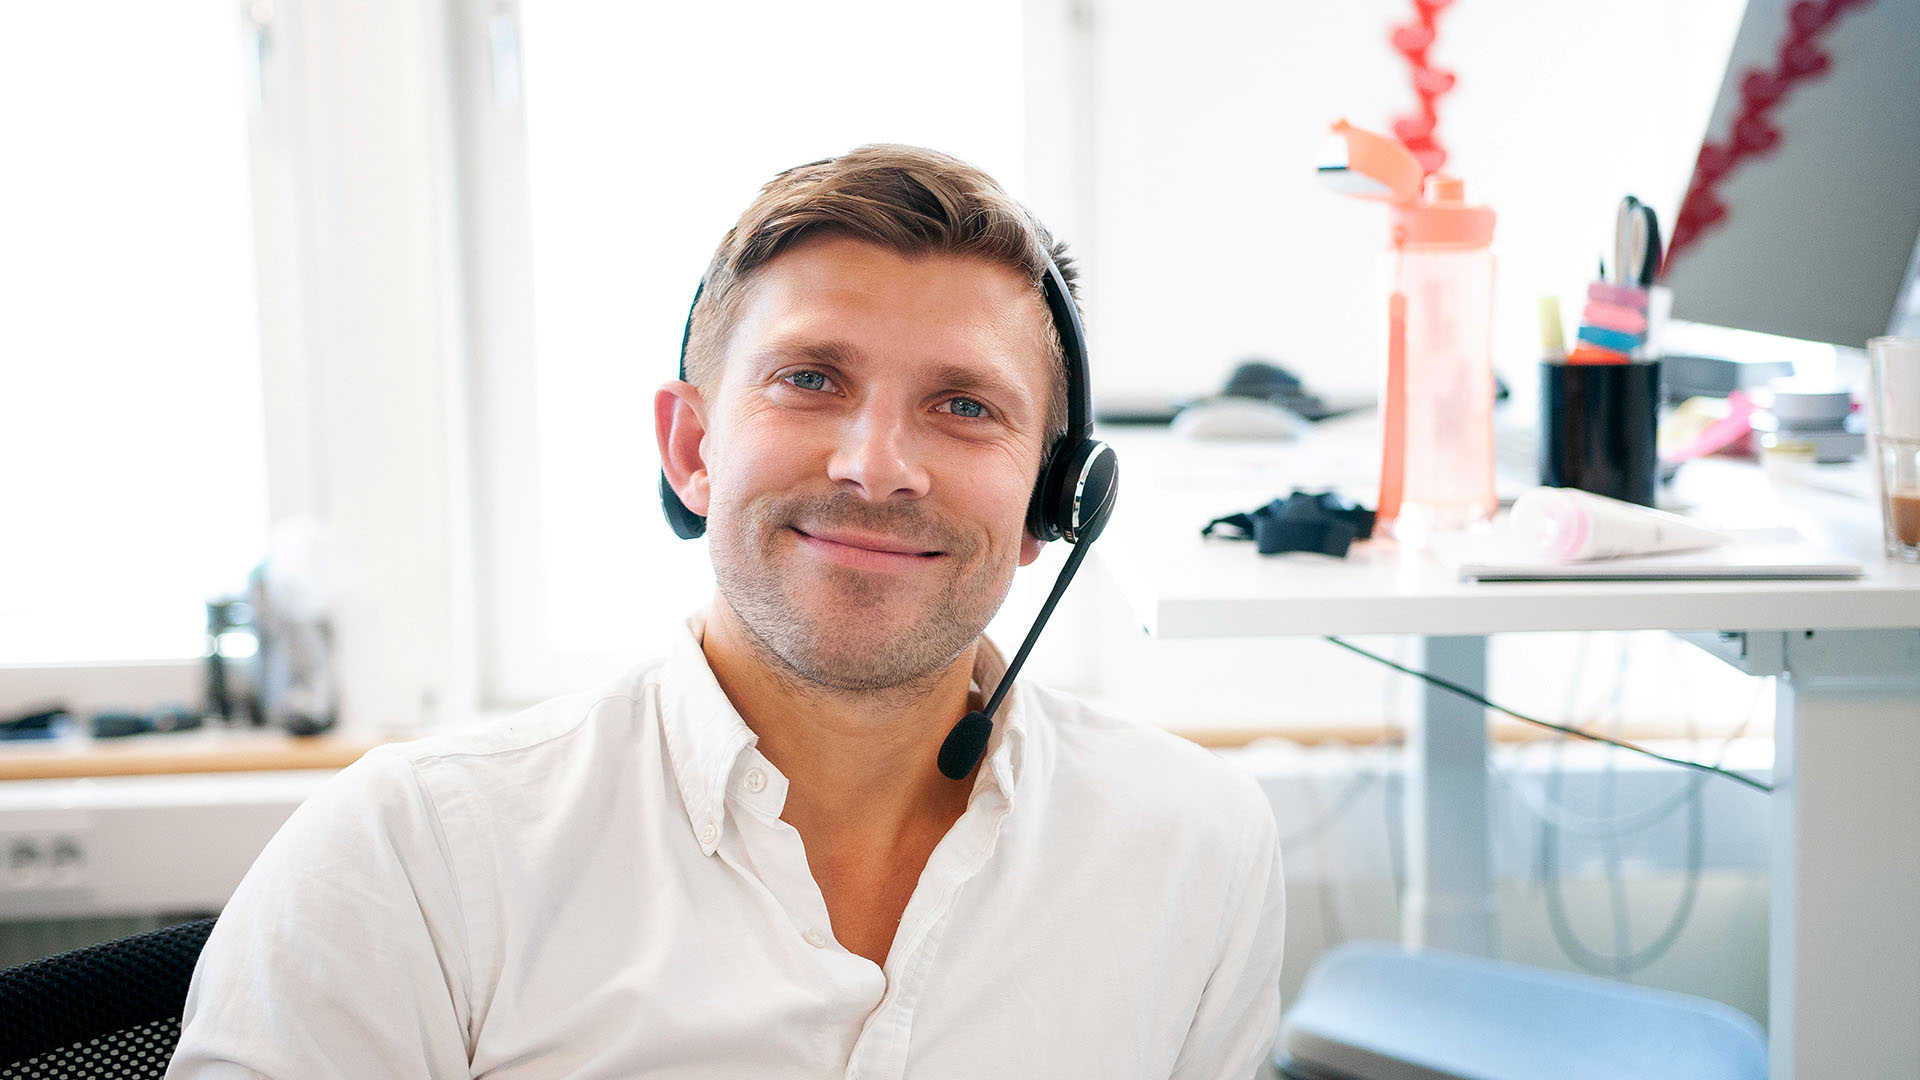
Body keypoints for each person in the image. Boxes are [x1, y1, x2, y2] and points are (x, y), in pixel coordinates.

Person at [170, 145, 1286, 1078]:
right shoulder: (412, 854)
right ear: (692, 449)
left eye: (963, 405)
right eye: (811, 380)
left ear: (1057, 498)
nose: (876, 465)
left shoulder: (1195, 846)